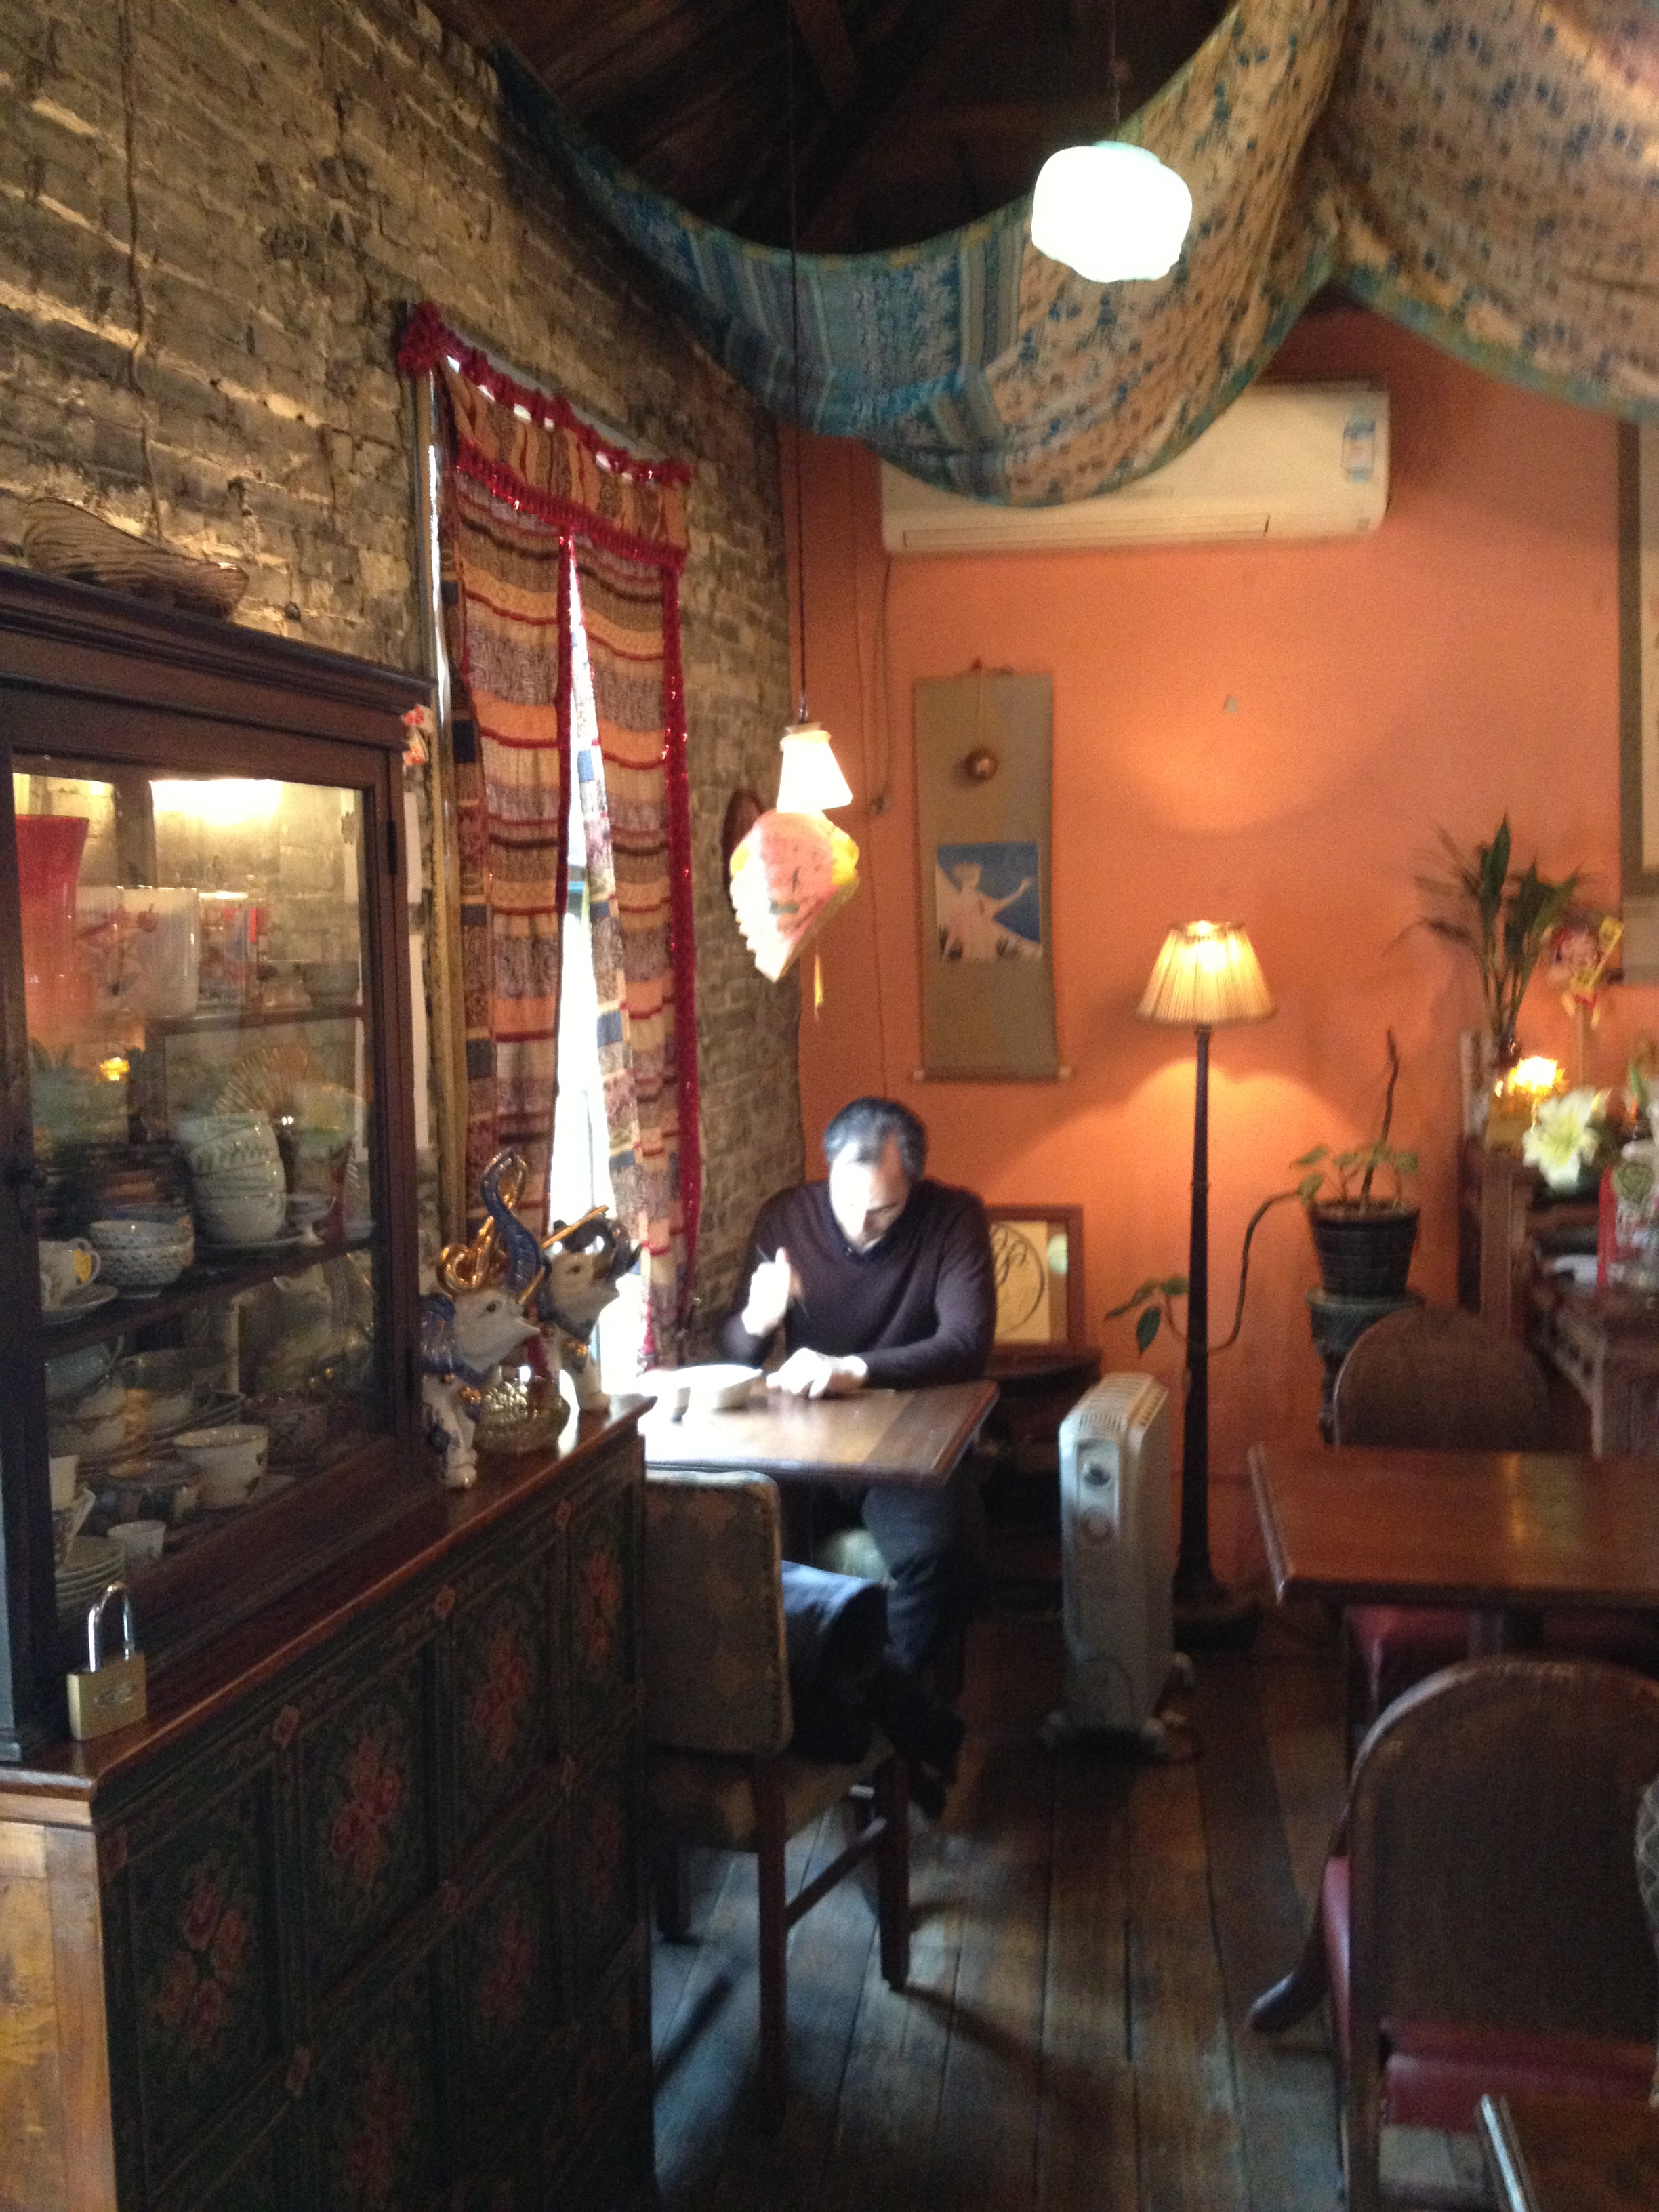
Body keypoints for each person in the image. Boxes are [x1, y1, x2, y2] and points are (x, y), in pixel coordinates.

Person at [720, 1095, 996, 1685]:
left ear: (913, 1185)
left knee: (938, 1554)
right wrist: (758, 1321)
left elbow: (967, 1344)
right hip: (805, 1440)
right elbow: (735, 1356)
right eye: (846, 1203)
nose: (860, 1225)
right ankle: (825, 1708)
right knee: (737, 1540)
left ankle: (893, 1705)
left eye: (883, 1209)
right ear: (828, 1171)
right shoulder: (787, 1217)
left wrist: (856, 1369)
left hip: (908, 1438)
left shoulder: (953, 1219)